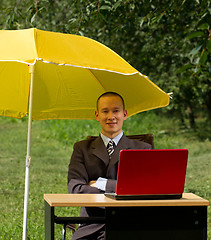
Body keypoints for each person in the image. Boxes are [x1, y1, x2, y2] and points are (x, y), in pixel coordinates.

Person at [68, 92, 152, 240]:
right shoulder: (81, 148)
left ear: (124, 114)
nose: (111, 116)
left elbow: (144, 189)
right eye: (105, 111)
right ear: (97, 115)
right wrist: (123, 191)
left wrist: (102, 183)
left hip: (129, 223)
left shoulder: (143, 149)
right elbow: (75, 188)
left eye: (116, 111)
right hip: (90, 225)